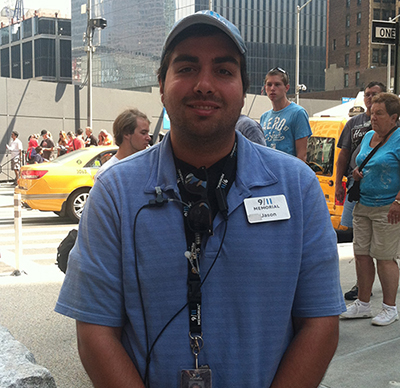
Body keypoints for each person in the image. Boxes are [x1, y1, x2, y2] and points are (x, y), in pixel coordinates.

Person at [55, 10, 344, 388]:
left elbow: (320, 322)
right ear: (161, 85)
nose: (204, 84)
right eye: (187, 68)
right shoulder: (114, 193)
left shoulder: (298, 188)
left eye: (223, 71)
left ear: (244, 88)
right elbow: (95, 330)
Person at [340, 92, 400, 326]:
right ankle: (363, 304)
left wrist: (398, 201)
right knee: (362, 255)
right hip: (363, 203)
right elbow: (358, 161)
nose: (373, 118)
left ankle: (389, 308)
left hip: (388, 207)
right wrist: (356, 173)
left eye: (379, 114)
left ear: (394, 117)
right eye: (372, 113)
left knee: (385, 257)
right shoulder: (368, 137)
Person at [335, 81, 386, 300]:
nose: (370, 98)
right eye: (367, 94)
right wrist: (338, 184)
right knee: (359, 240)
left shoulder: (394, 125)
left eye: (375, 94)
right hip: (356, 189)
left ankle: (387, 284)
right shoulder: (354, 123)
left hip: (384, 192)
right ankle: (361, 285)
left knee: (384, 244)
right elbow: (343, 155)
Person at [260, 67, 312, 161]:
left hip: (288, 172)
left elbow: (302, 156)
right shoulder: (264, 117)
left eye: (277, 84)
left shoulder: (298, 113)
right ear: (265, 88)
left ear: (286, 88)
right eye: (269, 84)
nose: (272, 88)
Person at [95, 108, 151, 182]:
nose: (149, 138)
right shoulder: (107, 173)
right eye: (143, 133)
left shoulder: (147, 169)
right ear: (126, 133)